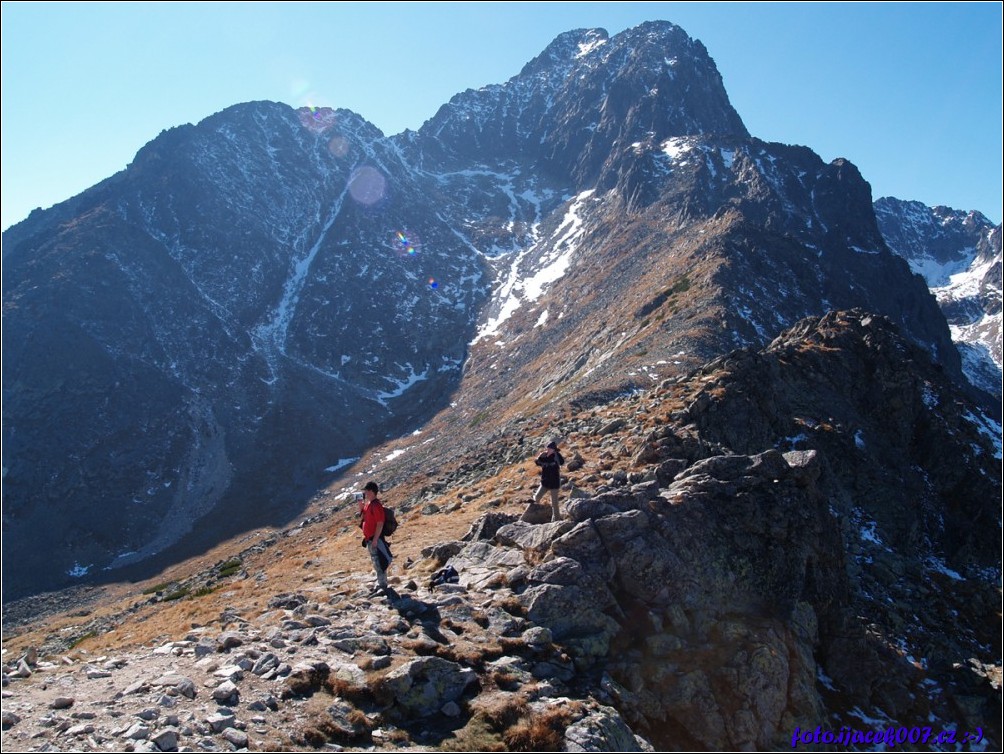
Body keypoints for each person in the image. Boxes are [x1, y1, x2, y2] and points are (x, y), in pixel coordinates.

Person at [359, 481, 393, 595]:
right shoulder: (369, 504)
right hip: (370, 538)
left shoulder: (376, 505)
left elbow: (380, 523)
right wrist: (361, 506)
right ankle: (380, 583)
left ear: (372, 492)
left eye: (367, 491)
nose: (365, 493)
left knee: (380, 562)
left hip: (375, 539)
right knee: (376, 561)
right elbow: (364, 517)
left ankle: (383, 586)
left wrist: (375, 540)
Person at [533, 440, 565, 521]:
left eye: (550, 448)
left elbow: (562, 462)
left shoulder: (557, 456)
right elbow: (537, 462)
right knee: (536, 497)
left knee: (555, 504)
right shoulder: (544, 456)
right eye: (548, 448)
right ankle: (537, 513)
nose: (548, 450)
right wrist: (540, 456)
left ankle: (555, 521)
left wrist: (556, 454)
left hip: (554, 483)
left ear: (554, 449)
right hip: (545, 482)